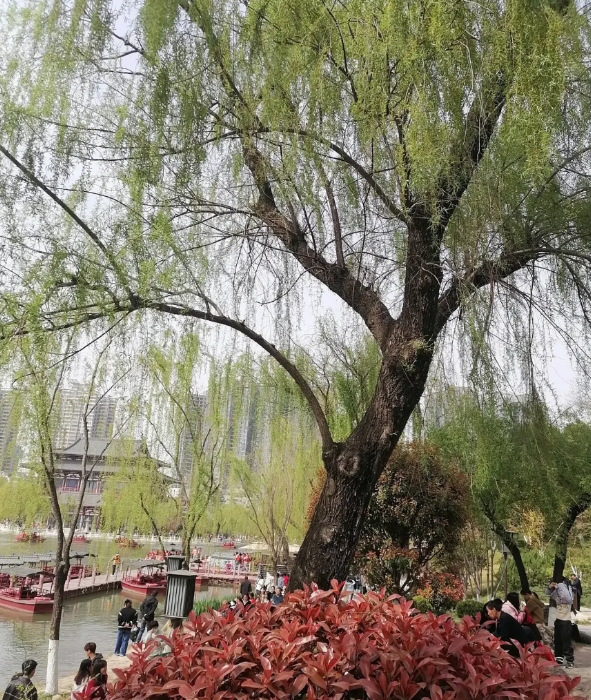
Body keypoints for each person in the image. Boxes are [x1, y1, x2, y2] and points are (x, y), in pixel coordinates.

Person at [547, 577, 574, 668]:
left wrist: (559, 586)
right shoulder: (557, 593)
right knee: (557, 641)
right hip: (558, 619)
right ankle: (559, 658)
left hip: (566, 621)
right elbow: (548, 594)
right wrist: (550, 587)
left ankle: (570, 661)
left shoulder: (566, 592)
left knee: (566, 642)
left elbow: (567, 598)